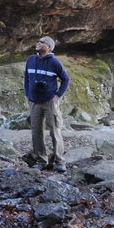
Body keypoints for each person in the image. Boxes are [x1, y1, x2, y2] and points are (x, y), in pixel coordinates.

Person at [24, 35, 70, 172]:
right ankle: (40, 160)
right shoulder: (30, 60)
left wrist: (57, 96)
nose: (38, 43)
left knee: (55, 130)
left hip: (49, 101)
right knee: (36, 132)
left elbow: (66, 79)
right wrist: (27, 94)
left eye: (42, 42)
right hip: (34, 102)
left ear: (49, 47)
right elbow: (26, 78)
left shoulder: (55, 63)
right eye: (38, 41)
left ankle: (59, 161)